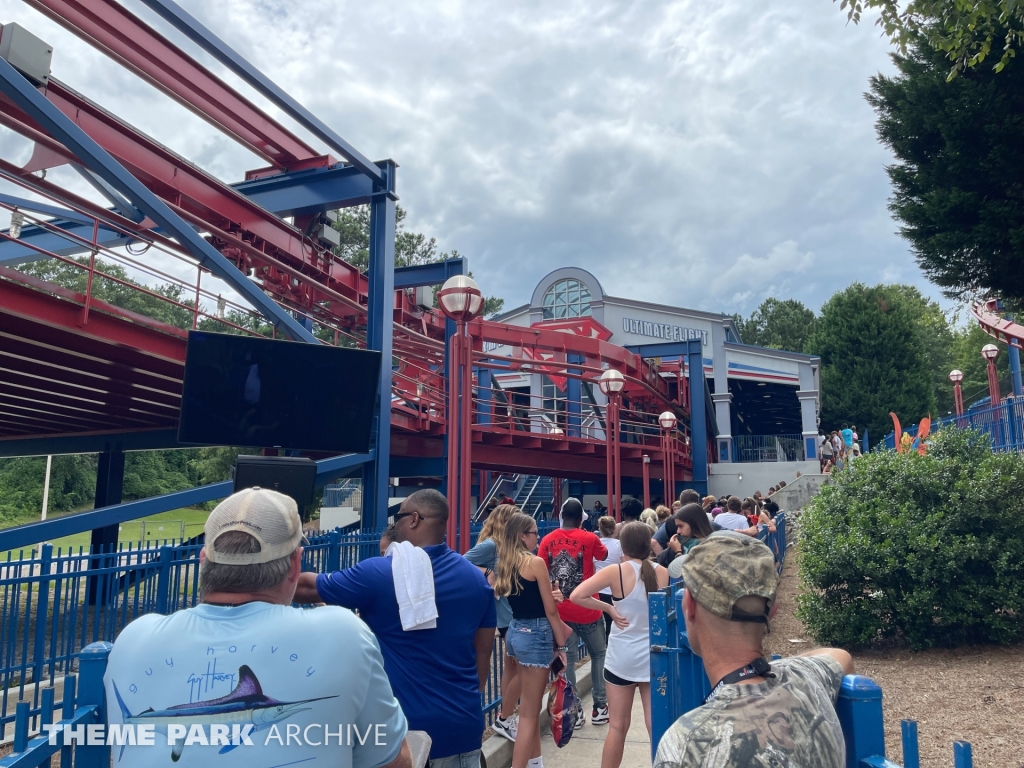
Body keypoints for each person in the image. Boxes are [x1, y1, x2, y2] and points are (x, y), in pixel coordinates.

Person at [105, 487, 411, 767]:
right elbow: (394, 760)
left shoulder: (132, 639)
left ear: (203, 560)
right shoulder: (344, 633)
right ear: (295, 564)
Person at [294, 489, 495, 768]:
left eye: (397, 517)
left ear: (413, 519)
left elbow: (304, 587)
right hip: (461, 728)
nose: (395, 524)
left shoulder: (378, 574)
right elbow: (481, 663)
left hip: (398, 737)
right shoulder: (477, 580)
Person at [653, 533, 854, 768]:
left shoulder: (686, 745)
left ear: (689, 605)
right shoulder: (809, 679)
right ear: (772, 612)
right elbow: (842, 657)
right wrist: (778, 668)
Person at [570, 522, 668, 768]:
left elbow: (576, 595)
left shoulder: (615, 572)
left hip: (621, 656)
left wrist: (608, 608)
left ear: (622, 546)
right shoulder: (662, 572)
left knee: (617, 726)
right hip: (652, 655)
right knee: (654, 724)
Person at [493, 513, 568, 768]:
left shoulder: (506, 562)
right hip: (537, 634)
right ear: (524, 535)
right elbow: (550, 610)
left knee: (529, 706)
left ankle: (536, 762)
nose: (538, 537)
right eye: (535, 532)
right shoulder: (535, 563)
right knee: (527, 713)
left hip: (516, 631)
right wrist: (562, 645)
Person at [538, 498, 610, 728]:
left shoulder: (547, 540)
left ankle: (573, 711)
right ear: (580, 518)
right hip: (589, 608)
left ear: (561, 516)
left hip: (561, 613)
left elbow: (541, 568)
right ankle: (600, 707)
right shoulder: (589, 538)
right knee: (599, 654)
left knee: (566, 659)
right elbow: (604, 555)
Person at [464, 504, 521, 743]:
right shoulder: (491, 546)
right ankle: (505, 717)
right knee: (516, 667)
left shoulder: (506, 546)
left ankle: (506, 715)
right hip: (503, 613)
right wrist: (488, 571)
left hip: (511, 611)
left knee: (512, 666)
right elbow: (463, 561)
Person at [656, 503, 713, 573]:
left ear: (693, 523)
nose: (678, 531)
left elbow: (687, 575)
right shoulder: (715, 541)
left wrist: (678, 552)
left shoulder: (697, 546)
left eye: (680, 526)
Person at [594, 515, 624, 639]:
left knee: (600, 622)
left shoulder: (596, 543)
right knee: (614, 622)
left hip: (597, 588)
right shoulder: (619, 545)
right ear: (614, 529)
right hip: (614, 589)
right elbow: (624, 565)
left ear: (600, 529)